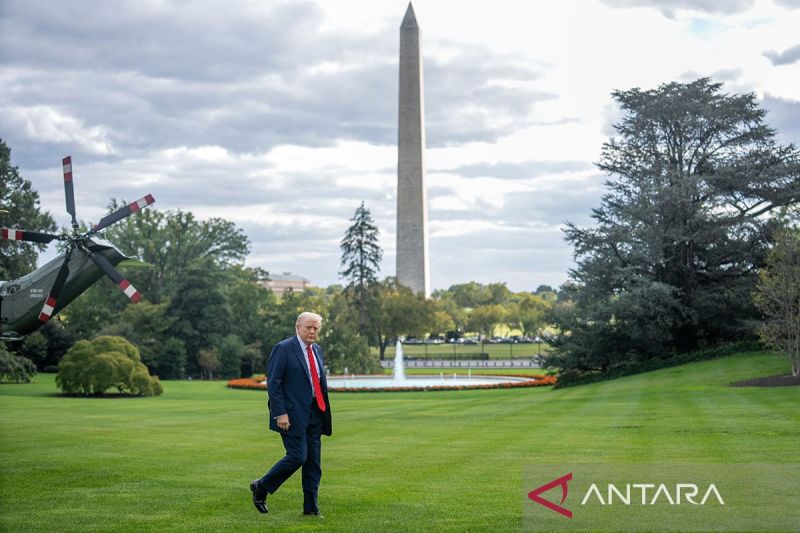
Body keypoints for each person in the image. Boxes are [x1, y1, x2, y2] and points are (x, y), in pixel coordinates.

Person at [250, 311, 332, 517]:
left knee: (313, 463)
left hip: (316, 413)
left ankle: (311, 509)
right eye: (308, 327)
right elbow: (274, 383)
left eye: (316, 328)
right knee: (298, 456)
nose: (312, 331)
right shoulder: (283, 348)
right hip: (291, 415)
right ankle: (261, 486)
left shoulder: (317, 350)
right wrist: (280, 413)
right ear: (298, 327)